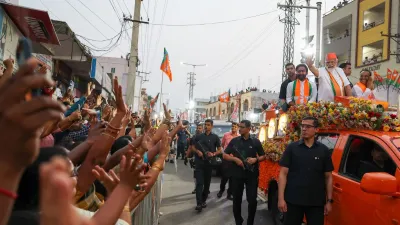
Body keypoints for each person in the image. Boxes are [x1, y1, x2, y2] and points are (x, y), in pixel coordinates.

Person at [278, 117, 334, 225]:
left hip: (316, 202)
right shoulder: (292, 148)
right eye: (302, 126)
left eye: (308, 126)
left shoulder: (323, 150)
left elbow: (328, 177)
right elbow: (283, 174)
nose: (304, 129)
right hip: (293, 200)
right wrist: (281, 199)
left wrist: (329, 201)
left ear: (316, 129)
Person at [223, 120, 266, 225]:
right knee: (236, 200)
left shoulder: (255, 141)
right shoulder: (235, 141)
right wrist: (235, 160)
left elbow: (263, 156)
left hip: (251, 175)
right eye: (239, 126)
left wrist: (255, 160)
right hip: (237, 174)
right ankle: (238, 220)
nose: (239, 129)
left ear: (249, 129)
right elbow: (224, 155)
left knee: (252, 201)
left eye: (242, 127)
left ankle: (250, 222)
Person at [192, 119, 222, 212]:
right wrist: (197, 151)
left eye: (208, 125)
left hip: (209, 164)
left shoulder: (215, 137)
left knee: (207, 184)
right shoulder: (199, 136)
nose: (206, 126)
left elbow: (220, 150)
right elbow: (192, 146)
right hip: (199, 163)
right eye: (205, 125)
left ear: (212, 126)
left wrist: (213, 154)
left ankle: (204, 200)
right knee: (199, 183)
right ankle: (199, 203)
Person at [217, 122, 239, 200]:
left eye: (235, 127)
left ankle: (230, 194)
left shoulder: (239, 137)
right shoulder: (226, 135)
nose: (233, 128)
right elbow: (222, 145)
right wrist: (224, 154)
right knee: (225, 177)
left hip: (235, 160)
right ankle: (221, 190)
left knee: (233, 179)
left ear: (238, 128)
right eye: (233, 126)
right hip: (226, 159)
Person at [187, 123, 204, 194]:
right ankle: (196, 188)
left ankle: (204, 188)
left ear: (202, 129)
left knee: (204, 175)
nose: (198, 129)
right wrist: (186, 156)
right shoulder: (193, 138)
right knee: (196, 174)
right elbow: (190, 147)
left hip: (205, 158)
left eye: (200, 128)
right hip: (195, 158)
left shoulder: (205, 137)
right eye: (197, 128)